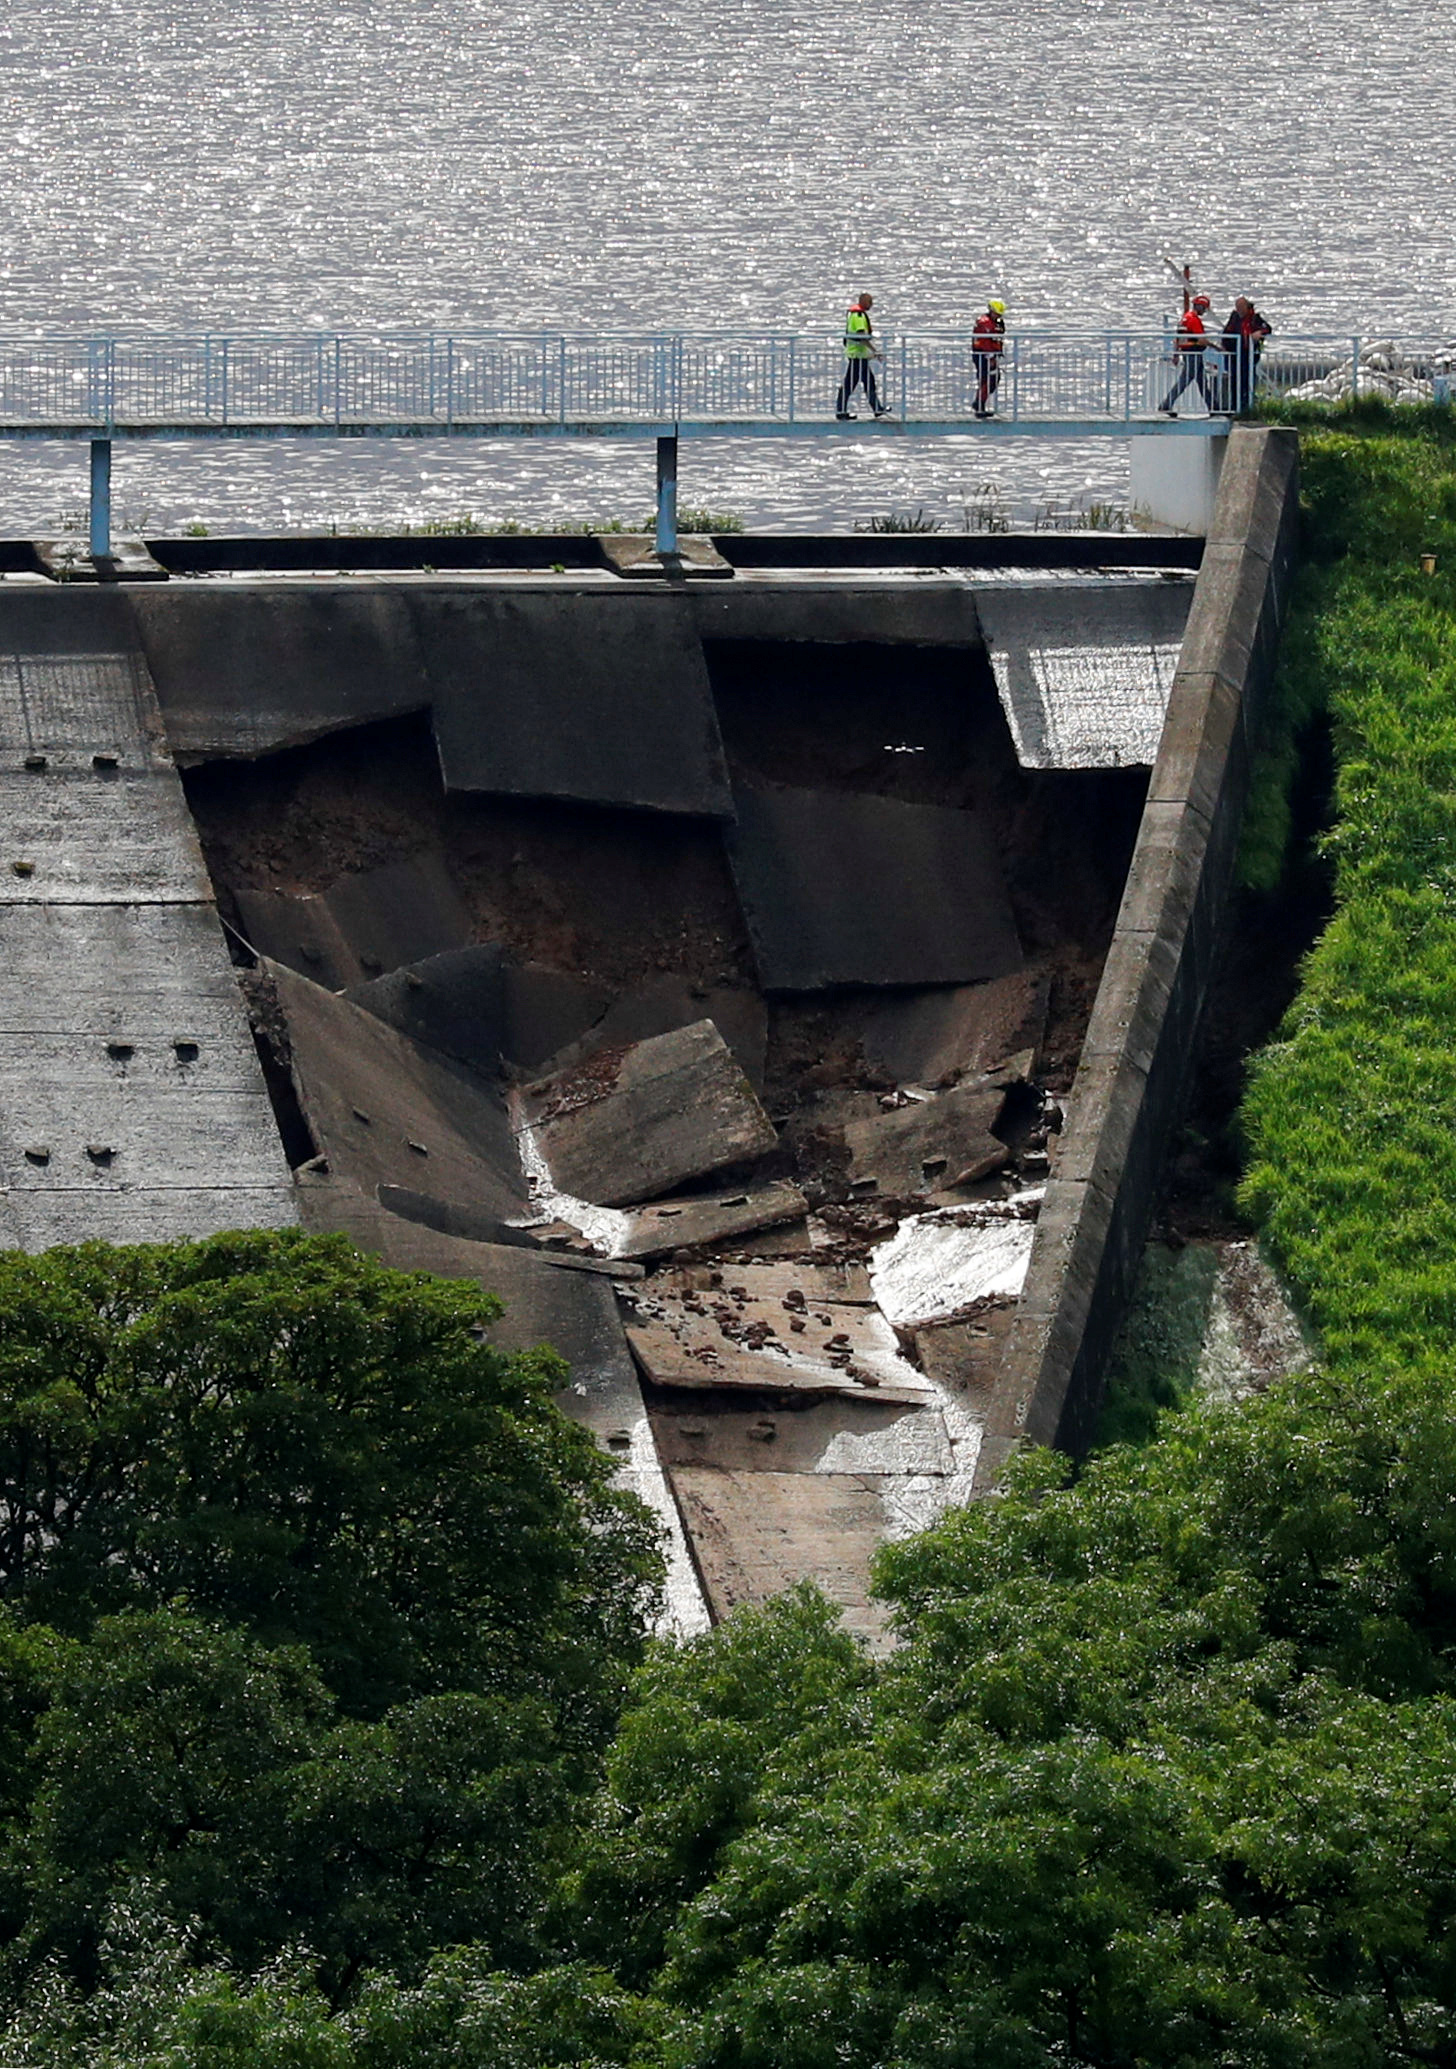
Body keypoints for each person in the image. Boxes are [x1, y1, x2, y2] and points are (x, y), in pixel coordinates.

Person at [836, 293, 888, 419]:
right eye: (870, 302)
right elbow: (861, 336)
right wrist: (875, 351)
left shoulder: (856, 314)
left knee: (868, 383)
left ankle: (877, 408)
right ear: (863, 301)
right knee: (851, 384)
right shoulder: (858, 315)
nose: (871, 305)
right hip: (857, 356)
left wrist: (871, 354)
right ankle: (841, 411)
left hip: (860, 356)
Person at [1159, 293, 1214, 414]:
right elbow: (1201, 339)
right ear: (1200, 307)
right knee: (1185, 381)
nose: (1204, 312)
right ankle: (1166, 404)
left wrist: (1176, 354)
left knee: (1202, 382)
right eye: (1204, 308)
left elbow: (1178, 337)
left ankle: (1213, 407)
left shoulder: (1184, 318)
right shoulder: (1194, 320)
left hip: (1188, 353)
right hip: (1193, 353)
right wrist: (1216, 347)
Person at [1222, 295, 1272, 412]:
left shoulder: (1255, 318)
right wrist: (1225, 347)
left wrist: (1258, 333)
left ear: (1246, 307)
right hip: (1235, 355)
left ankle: (1247, 406)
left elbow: (1268, 328)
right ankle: (1235, 406)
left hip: (1249, 355)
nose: (1238, 310)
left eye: (1240, 307)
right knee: (1235, 381)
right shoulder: (1234, 318)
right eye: (1237, 307)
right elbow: (1226, 333)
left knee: (1248, 380)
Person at [972, 297, 1006, 417]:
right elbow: (984, 342)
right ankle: (979, 405)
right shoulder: (984, 323)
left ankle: (979, 403)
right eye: (997, 313)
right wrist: (990, 357)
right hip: (983, 355)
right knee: (988, 380)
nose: (998, 316)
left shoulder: (996, 322)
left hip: (990, 354)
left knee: (991, 379)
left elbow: (997, 337)